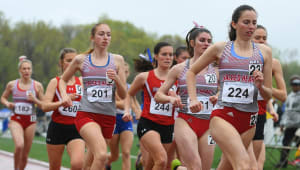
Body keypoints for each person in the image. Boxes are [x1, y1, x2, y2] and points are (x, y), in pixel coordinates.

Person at [186, 5, 273, 170]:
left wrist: (261, 87)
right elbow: (191, 72)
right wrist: (193, 99)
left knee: (228, 167)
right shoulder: (221, 48)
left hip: (249, 121)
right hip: (223, 116)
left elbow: (268, 95)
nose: (251, 27)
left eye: (254, 22)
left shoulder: (265, 53)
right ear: (234, 24)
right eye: (246, 22)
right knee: (244, 164)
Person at [59, 23, 127, 170]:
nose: (105, 38)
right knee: (102, 155)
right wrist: (65, 96)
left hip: (108, 117)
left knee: (89, 163)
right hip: (87, 114)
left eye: (108, 34)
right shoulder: (81, 60)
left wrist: (117, 79)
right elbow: (62, 80)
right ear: (92, 37)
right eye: (101, 34)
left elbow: (123, 95)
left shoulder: (117, 60)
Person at [155, 26, 218, 170]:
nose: (206, 44)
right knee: (195, 166)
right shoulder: (179, 68)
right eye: (202, 40)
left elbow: (225, 90)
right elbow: (159, 95)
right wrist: (171, 99)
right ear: (192, 43)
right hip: (186, 121)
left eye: (209, 41)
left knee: (204, 168)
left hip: (209, 123)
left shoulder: (216, 69)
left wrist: (217, 96)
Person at [123, 42, 176, 170]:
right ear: (156, 56)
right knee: (162, 160)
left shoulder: (177, 77)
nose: (168, 57)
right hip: (148, 123)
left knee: (151, 165)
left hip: (168, 126)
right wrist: (128, 111)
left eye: (170, 54)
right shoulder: (144, 77)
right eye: (164, 54)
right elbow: (129, 94)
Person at [247, 25, 287, 170]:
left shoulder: (274, 63)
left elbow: (283, 95)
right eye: (257, 38)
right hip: (238, 112)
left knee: (256, 164)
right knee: (240, 161)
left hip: (259, 114)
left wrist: (264, 87)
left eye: (264, 38)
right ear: (249, 38)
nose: (261, 41)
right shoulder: (238, 59)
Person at [41, 48, 85, 170]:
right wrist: (61, 102)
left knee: (78, 164)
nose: (72, 64)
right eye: (68, 60)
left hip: (76, 129)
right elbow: (45, 106)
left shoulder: (81, 82)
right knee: (54, 167)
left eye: (74, 60)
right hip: (57, 128)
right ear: (61, 63)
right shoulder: (55, 82)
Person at [1, 56, 44, 170]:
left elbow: (44, 105)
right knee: (19, 145)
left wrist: (35, 100)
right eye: (24, 69)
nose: (26, 71)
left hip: (31, 121)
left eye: (29, 69)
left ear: (31, 70)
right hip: (16, 119)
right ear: (20, 71)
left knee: (25, 155)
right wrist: (8, 104)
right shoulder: (12, 84)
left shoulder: (37, 86)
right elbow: (3, 98)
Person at [106, 62, 141, 170]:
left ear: (128, 73)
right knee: (115, 155)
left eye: (126, 72)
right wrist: (128, 104)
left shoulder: (130, 87)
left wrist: (139, 112)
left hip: (126, 121)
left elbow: (135, 104)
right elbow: (121, 104)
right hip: (113, 120)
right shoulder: (111, 86)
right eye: (119, 72)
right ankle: (106, 162)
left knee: (126, 153)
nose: (123, 74)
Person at [276, 75, 300, 168]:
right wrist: (282, 123)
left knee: (299, 144)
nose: (295, 86)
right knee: (285, 144)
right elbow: (286, 111)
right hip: (289, 124)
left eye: (297, 84)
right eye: (293, 84)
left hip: (299, 124)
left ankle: (298, 161)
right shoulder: (289, 96)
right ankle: (283, 162)